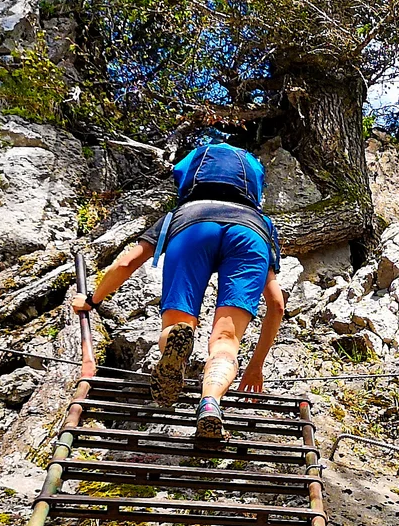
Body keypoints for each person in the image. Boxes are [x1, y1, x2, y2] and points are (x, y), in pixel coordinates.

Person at [72, 139, 285, 438]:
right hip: (248, 235)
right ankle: (210, 403)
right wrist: (255, 366)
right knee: (226, 340)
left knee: (178, 323)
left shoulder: (177, 213)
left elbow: (127, 262)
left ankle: (175, 343)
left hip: (191, 226)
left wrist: (92, 301)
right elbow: (276, 304)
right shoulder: (263, 224)